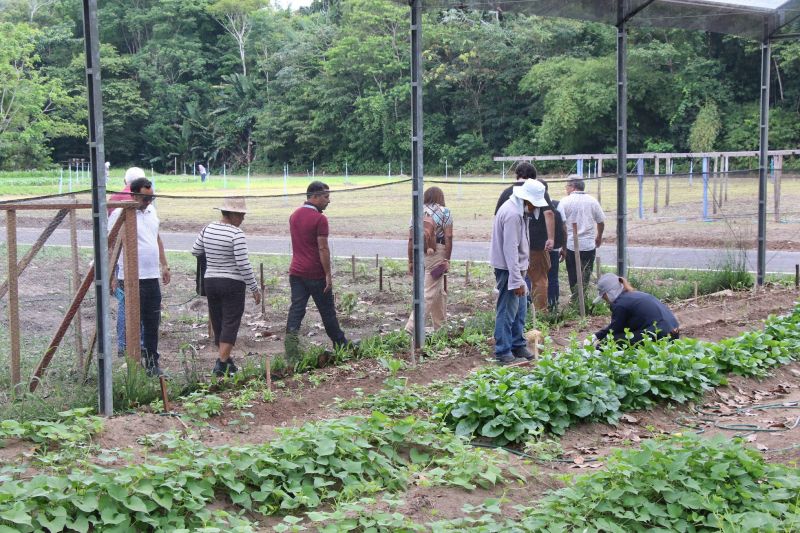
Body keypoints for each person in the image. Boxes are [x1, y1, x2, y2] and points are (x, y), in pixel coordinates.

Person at [285, 181, 357, 358]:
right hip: (315, 273)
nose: (328, 201)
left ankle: (291, 350)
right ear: (314, 196)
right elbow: (323, 248)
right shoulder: (320, 219)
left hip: (296, 272)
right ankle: (341, 344)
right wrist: (327, 275)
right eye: (326, 197)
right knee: (327, 311)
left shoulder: (294, 215)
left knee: (296, 310)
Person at [108, 177, 171, 376]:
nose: (149, 202)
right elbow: (111, 244)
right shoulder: (121, 213)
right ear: (134, 195)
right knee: (132, 321)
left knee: (152, 321)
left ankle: (152, 363)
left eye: (152, 198)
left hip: (151, 276)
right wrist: (112, 275)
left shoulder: (152, 212)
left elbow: (156, 238)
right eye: (145, 198)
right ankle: (131, 361)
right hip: (130, 277)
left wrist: (164, 264)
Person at [192, 197, 261, 376]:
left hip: (211, 281)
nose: (243, 218)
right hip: (232, 283)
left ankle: (227, 361)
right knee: (231, 321)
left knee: (218, 320)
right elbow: (243, 263)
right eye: (241, 215)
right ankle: (221, 364)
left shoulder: (208, 228)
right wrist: (254, 287)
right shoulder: (236, 234)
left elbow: (196, 250)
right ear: (232, 214)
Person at [490, 179, 549, 365]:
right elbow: (510, 249)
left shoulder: (519, 211)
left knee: (520, 309)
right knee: (508, 310)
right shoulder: (512, 214)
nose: (535, 208)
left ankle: (517, 344)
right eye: (535, 204)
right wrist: (516, 280)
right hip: (508, 269)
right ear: (527, 200)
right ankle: (503, 351)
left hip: (515, 269)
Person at [495, 163, 554, 312]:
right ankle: (541, 312)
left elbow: (497, 220)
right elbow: (549, 213)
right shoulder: (537, 191)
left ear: (517, 175)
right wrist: (551, 238)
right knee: (539, 279)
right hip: (536, 244)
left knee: (520, 285)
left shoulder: (507, 192)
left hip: (514, 250)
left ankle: (525, 311)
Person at [405, 186, 453, 334]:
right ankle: (411, 327)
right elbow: (448, 236)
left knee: (437, 291)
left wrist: (411, 260)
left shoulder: (417, 212)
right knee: (429, 291)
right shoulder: (445, 212)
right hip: (436, 251)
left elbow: (411, 238)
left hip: (419, 251)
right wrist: (447, 258)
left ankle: (441, 327)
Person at [109, 166, 146, 357]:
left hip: (119, 256)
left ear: (125, 181)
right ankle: (134, 344)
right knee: (135, 302)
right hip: (134, 259)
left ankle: (124, 344)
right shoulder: (140, 196)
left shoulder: (114, 197)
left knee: (125, 301)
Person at [593, 273, 679, 344]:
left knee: (611, 340)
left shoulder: (620, 305)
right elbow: (618, 325)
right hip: (673, 331)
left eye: (604, 296)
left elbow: (614, 330)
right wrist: (597, 336)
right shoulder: (634, 295)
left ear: (609, 293)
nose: (604, 299)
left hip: (659, 334)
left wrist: (598, 344)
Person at [557, 176, 605, 303]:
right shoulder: (592, 201)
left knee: (572, 273)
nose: (566, 189)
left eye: (567, 186)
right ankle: (582, 297)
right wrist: (599, 236)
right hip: (588, 244)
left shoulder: (565, 201)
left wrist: (562, 246)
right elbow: (600, 221)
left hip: (571, 244)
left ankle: (576, 298)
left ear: (573, 187)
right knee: (586, 272)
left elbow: (561, 225)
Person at [547, 194, 566, 310]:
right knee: (552, 277)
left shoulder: (530, 205)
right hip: (553, 248)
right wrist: (564, 247)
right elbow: (563, 227)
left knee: (534, 278)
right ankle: (553, 305)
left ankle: (532, 305)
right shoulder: (557, 206)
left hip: (535, 249)